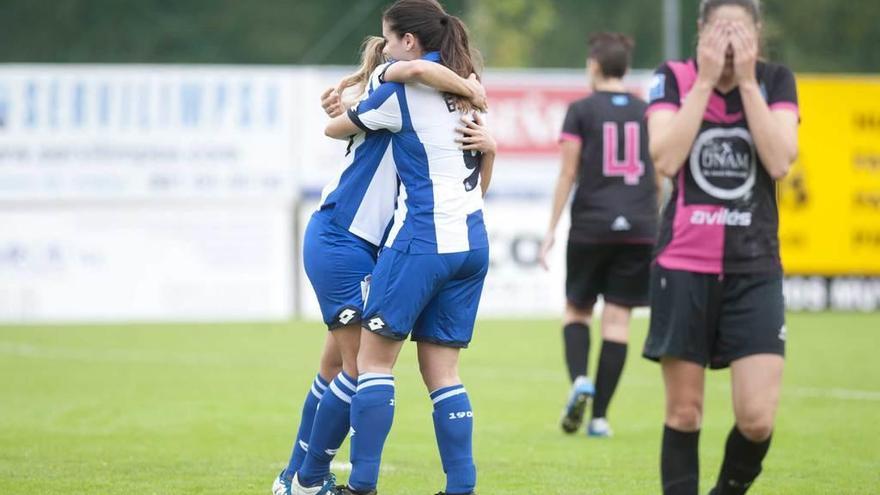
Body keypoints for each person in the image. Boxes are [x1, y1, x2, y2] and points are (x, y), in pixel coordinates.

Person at [271, 35, 488, 495]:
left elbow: (473, 182)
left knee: (338, 365)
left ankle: (299, 477)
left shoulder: (435, 109)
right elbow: (397, 78)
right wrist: (351, 91)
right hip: (342, 238)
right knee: (355, 366)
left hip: (385, 246)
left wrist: (489, 144)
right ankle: (302, 481)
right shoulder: (390, 95)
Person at [322, 1, 495, 493]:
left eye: (388, 39)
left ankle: (361, 485)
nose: (384, 49)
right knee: (443, 373)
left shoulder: (401, 88)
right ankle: (461, 487)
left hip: (422, 241)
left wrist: (338, 111)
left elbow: (341, 128)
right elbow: (482, 175)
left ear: (409, 42)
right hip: (472, 243)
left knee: (373, 364)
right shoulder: (470, 90)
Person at [642, 0, 799, 493]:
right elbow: (665, 158)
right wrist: (705, 83)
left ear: (758, 32)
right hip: (683, 265)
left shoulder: (775, 80)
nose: (730, 38)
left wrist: (748, 82)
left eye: (741, 28)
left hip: (755, 268)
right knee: (685, 413)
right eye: (720, 28)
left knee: (756, 419)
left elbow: (779, 161)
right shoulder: (672, 77)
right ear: (700, 31)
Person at [539, 32, 659, 438]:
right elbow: (661, 174)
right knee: (618, 321)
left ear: (593, 66)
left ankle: (579, 381)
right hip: (641, 228)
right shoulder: (648, 112)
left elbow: (568, 172)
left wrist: (552, 230)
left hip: (592, 226)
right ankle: (601, 418)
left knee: (576, 311)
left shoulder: (580, 111)